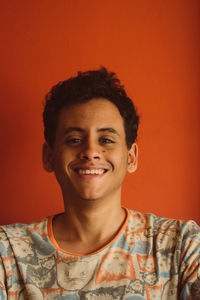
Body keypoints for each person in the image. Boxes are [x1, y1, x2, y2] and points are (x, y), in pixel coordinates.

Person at [0, 67, 199, 299]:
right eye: (74, 139)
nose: (91, 151)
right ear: (49, 156)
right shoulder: (8, 253)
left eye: (106, 140)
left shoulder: (182, 246)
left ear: (131, 157)